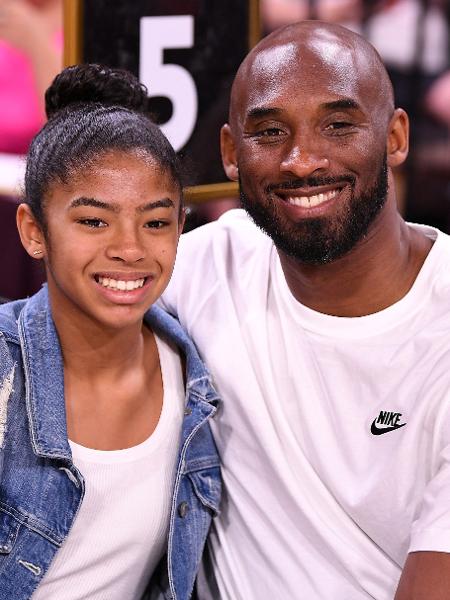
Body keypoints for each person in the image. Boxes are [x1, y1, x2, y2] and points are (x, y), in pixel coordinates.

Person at [161, 20, 450, 600]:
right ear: (229, 154)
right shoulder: (202, 265)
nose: (301, 160)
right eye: (268, 133)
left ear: (395, 138)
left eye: (338, 126)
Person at [0, 63, 220, 600]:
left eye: (156, 221)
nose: (130, 248)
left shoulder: (196, 381)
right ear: (34, 231)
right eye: (94, 221)